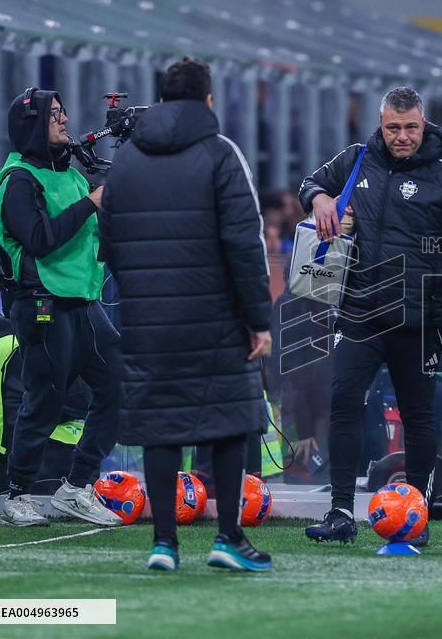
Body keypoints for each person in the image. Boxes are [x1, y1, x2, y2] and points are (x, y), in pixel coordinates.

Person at [300, 86, 442, 546]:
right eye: (393, 128)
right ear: (381, 123)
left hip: (420, 320)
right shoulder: (356, 158)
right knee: (344, 403)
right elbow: (310, 182)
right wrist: (319, 199)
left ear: (423, 124)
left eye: (410, 128)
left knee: (418, 416)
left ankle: (416, 514)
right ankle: (341, 513)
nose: (402, 137)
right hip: (359, 313)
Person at [103, 57, 272, 572]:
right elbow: (244, 242)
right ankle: (227, 539)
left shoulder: (127, 159)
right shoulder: (220, 154)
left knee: (161, 425)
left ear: (160, 100)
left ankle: (163, 545)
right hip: (215, 313)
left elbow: (109, 242)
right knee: (227, 419)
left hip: (148, 315)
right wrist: (258, 317)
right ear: (208, 101)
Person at [0, 88, 121, 528]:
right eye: (54, 116)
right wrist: (91, 203)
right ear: (32, 126)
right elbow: (40, 239)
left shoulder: (70, 174)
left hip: (83, 302)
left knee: (114, 386)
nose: (64, 122)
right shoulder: (19, 180)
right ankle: (18, 495)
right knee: (44, 401)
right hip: (42, 304)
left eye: (64, 113)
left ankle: (77, 487)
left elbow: (95, 233)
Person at [0, 312, 87, 493]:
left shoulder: (3, 344)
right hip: (46, 469)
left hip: (6, 463)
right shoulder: (30, 346)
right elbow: (77, 402)